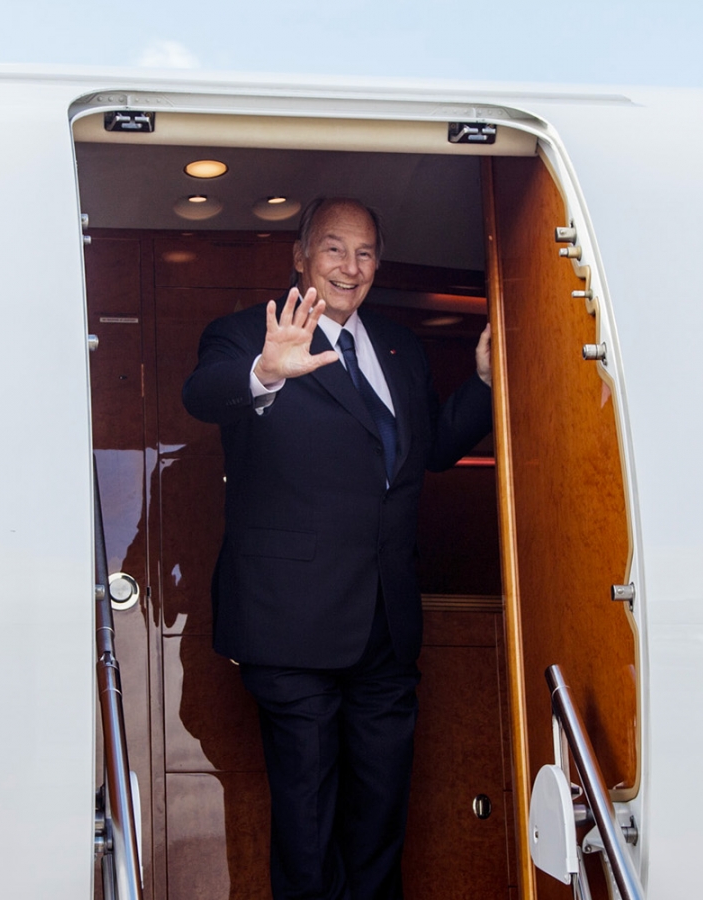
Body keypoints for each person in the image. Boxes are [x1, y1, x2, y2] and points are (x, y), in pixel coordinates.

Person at [182, 197, 493, 900]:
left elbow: (430, 450)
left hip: (386, 625)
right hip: (291, 627)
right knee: (308, 822)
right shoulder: (246, 335)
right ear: (300, 255)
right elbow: (202, 396)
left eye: (364, 252)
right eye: (333, 249)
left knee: (381, 820)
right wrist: (264, 372)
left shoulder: (398, 345)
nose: (350, 268)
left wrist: (479, 384)